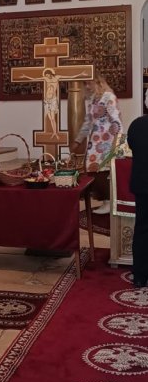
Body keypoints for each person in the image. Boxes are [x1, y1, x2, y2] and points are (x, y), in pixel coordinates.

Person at [69, 71, 122, 215]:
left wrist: (117, 143)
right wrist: (78, 140)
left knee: (103, 172)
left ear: (98, 82)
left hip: (107, 142)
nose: (87, 86)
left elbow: (116, 120)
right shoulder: (94, 100)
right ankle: (105, 201)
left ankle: (108, 202)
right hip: (95, 143)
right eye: (85, 84)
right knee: (94, 171)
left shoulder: (109, 97)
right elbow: (87, 123)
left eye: (89, 83)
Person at [127, 115, 148, 287]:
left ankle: (140, 276)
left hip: (142, 184)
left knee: (142, 228)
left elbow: (132, 146)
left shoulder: (136, 124)